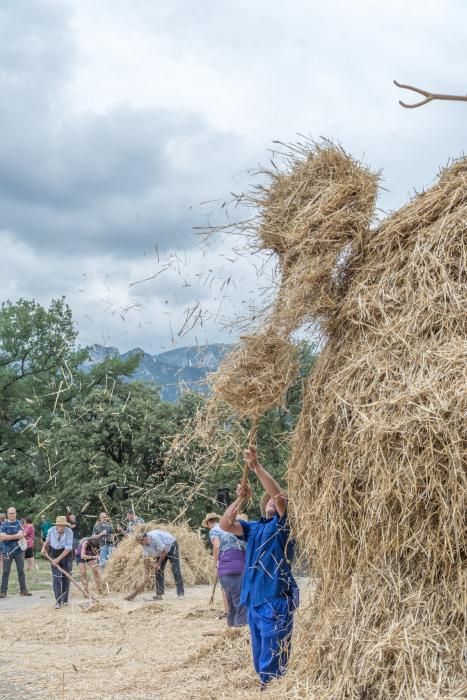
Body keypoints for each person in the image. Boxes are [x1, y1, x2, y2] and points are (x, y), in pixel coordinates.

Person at [220, 446, 298, 689]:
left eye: (275, 503)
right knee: (260, 651)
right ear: (263, 506)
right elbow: (225, 523)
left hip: (275, 597)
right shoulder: (254, 528)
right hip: (254, 599)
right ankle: (267, 686)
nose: (272, 504)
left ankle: (273, 688)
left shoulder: (284, 527)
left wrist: (256, 467)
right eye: (269, 502)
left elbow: (280, 498)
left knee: (274, 654)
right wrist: (242, 497)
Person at [126, 529, 184, 601]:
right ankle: (159, 595)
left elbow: (164, 552)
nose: (141, 543)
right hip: (162, 550)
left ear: (146, 538)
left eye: (142, 541)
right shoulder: (143, 543)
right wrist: (147, 573)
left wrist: (158, 563)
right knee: (158, 571)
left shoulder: (155, 538)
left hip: (171, 545)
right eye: (140, 542)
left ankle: (180, 593)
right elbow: (146, 558)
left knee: (175, 569)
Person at [217, 515, 248, 627]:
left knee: (230, 600)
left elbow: (219, 552)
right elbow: (248, 553)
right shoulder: (242, 535)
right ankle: (240, 627)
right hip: (237, 570)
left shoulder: (224, 535)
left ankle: (231, 626)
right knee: (240, 602)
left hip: (222, 571)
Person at [41, 515, 73, 609]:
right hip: (54, 553)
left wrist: (57, 560)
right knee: (56, 577)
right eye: (59, 525)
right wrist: (44, 547)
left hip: (66, 554)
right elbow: (48, 540)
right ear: (56, 525)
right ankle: (58, 601)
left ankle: (65, 600)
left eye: (63, 525)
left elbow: (68, 548)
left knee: (66, 576)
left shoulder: (69, 532)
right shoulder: (51, 530)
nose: (61, 527)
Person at [202, 512, 229, 618]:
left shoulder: (213, 530)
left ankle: (227, 610)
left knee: (223, 585)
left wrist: (215, 561)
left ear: (208, 522)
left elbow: (217, 546)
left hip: (224, 557)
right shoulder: (224, 528)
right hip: (235, 555)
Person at [0, 507, 31, 598]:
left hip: (18, 550)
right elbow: (2, 537)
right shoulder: (3, 524)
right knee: (5, 571)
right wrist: (15, 536)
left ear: (16, 514)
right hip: (7, 551)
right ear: (7, 514)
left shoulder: (19, 523)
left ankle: (23, 590)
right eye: (10, 513)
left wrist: (8, 536)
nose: (12, 515)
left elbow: (21, 535)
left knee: (21, 570)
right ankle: (3, 592)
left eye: (13, 513)